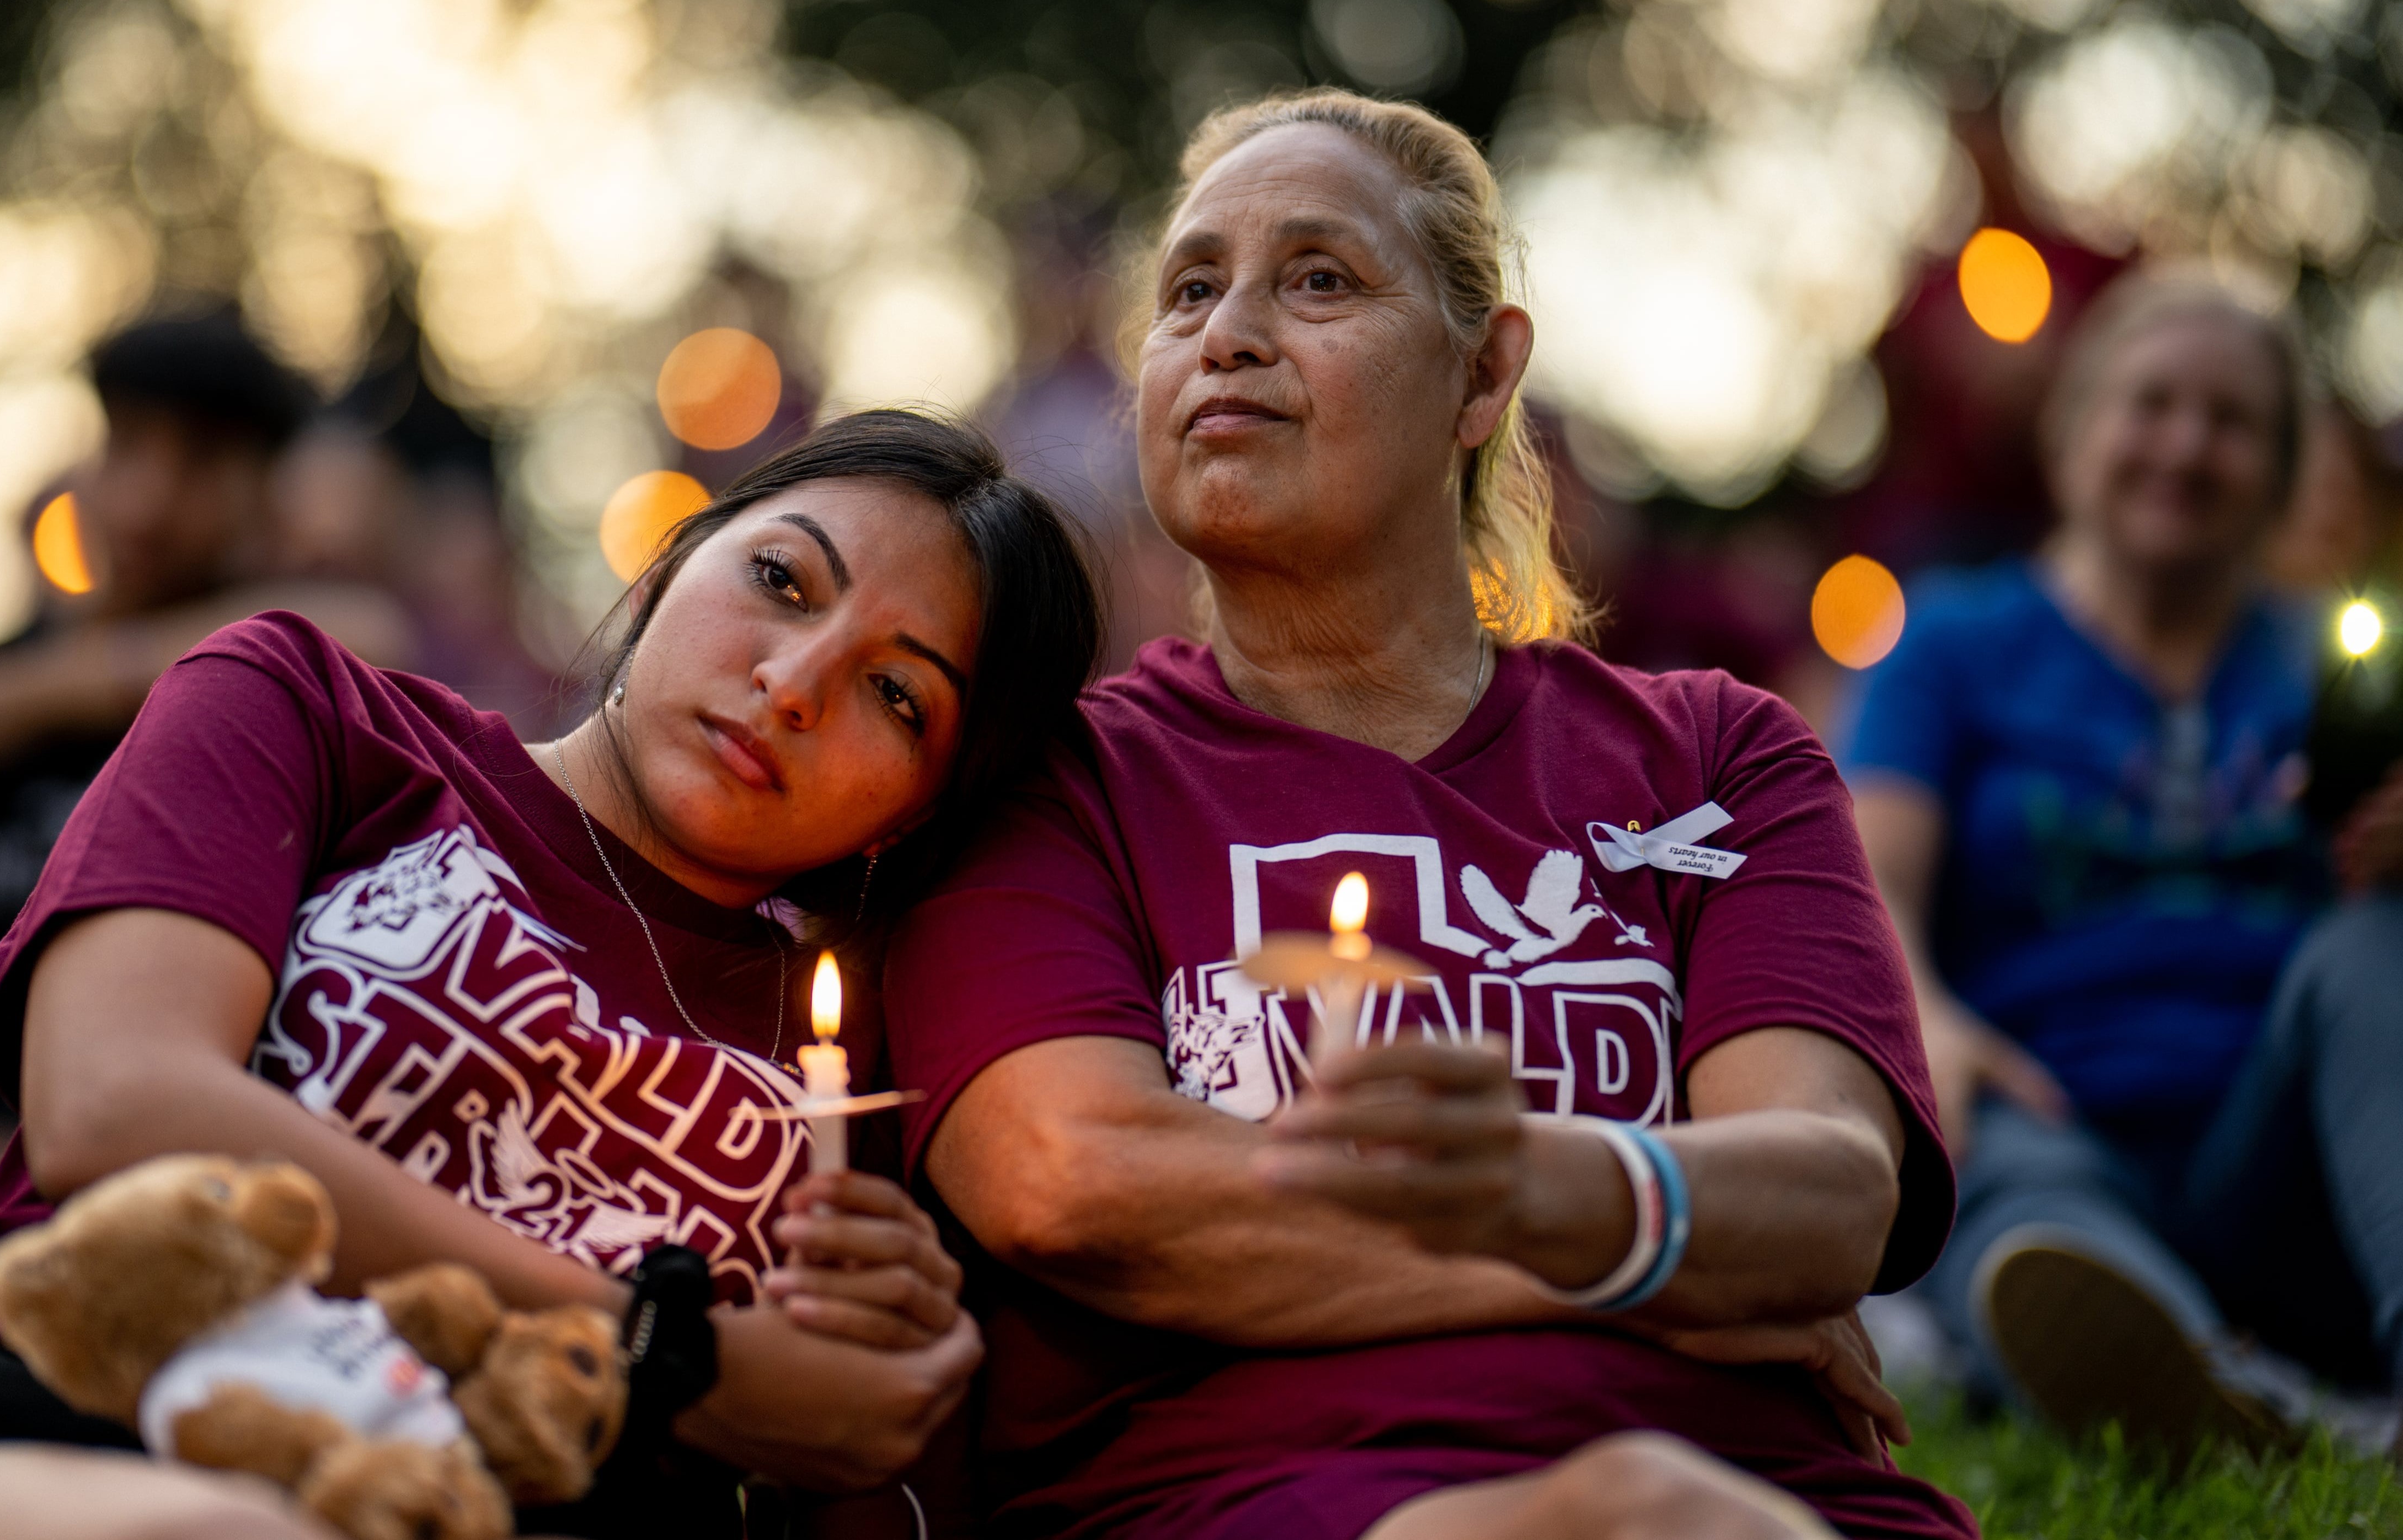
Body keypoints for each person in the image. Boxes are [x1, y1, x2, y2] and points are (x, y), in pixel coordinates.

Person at [882, 89, 1967, 1540]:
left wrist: (1599, 1205)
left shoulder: (1721, 757)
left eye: (1320, 279)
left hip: (1776, 1486)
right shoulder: (1050, 781)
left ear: (1483, 374)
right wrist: (1635, 1238)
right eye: (1190, 290)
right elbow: (1084, 1184)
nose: (1231, 331)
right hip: (1263, 1496)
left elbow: (1827, 1194)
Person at [0, 408, 1102, 1540]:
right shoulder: (308, 712)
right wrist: (663, 1354)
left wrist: (874, 1388)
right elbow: (116, 1104)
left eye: (900, 696)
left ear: (920, 810)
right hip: (78, 1433)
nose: (796, 680)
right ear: (667, 567)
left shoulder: (840, 1080)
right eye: (780, 581)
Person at [1843, 279, 2403, 1446]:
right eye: (2151, 404)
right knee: (2014, 1190)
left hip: (2280, 1145)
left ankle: (2242, 1385)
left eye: (2231, 420)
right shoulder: (1954, 644)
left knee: (2371, 950)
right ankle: (2185, 1373)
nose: (2186, 446)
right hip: (2043, 1111)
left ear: (2279, 468)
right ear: (2075, 430)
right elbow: (1864, 878)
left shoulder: (2335, 661)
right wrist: (1925, 1019)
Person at [0, 311, 412, 1243]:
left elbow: (373, 632)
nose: (148, 499)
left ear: (267, 493)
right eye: (128, 446)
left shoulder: (291, 697)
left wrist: (35, 693)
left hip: (226, 1111)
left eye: (199, 463)